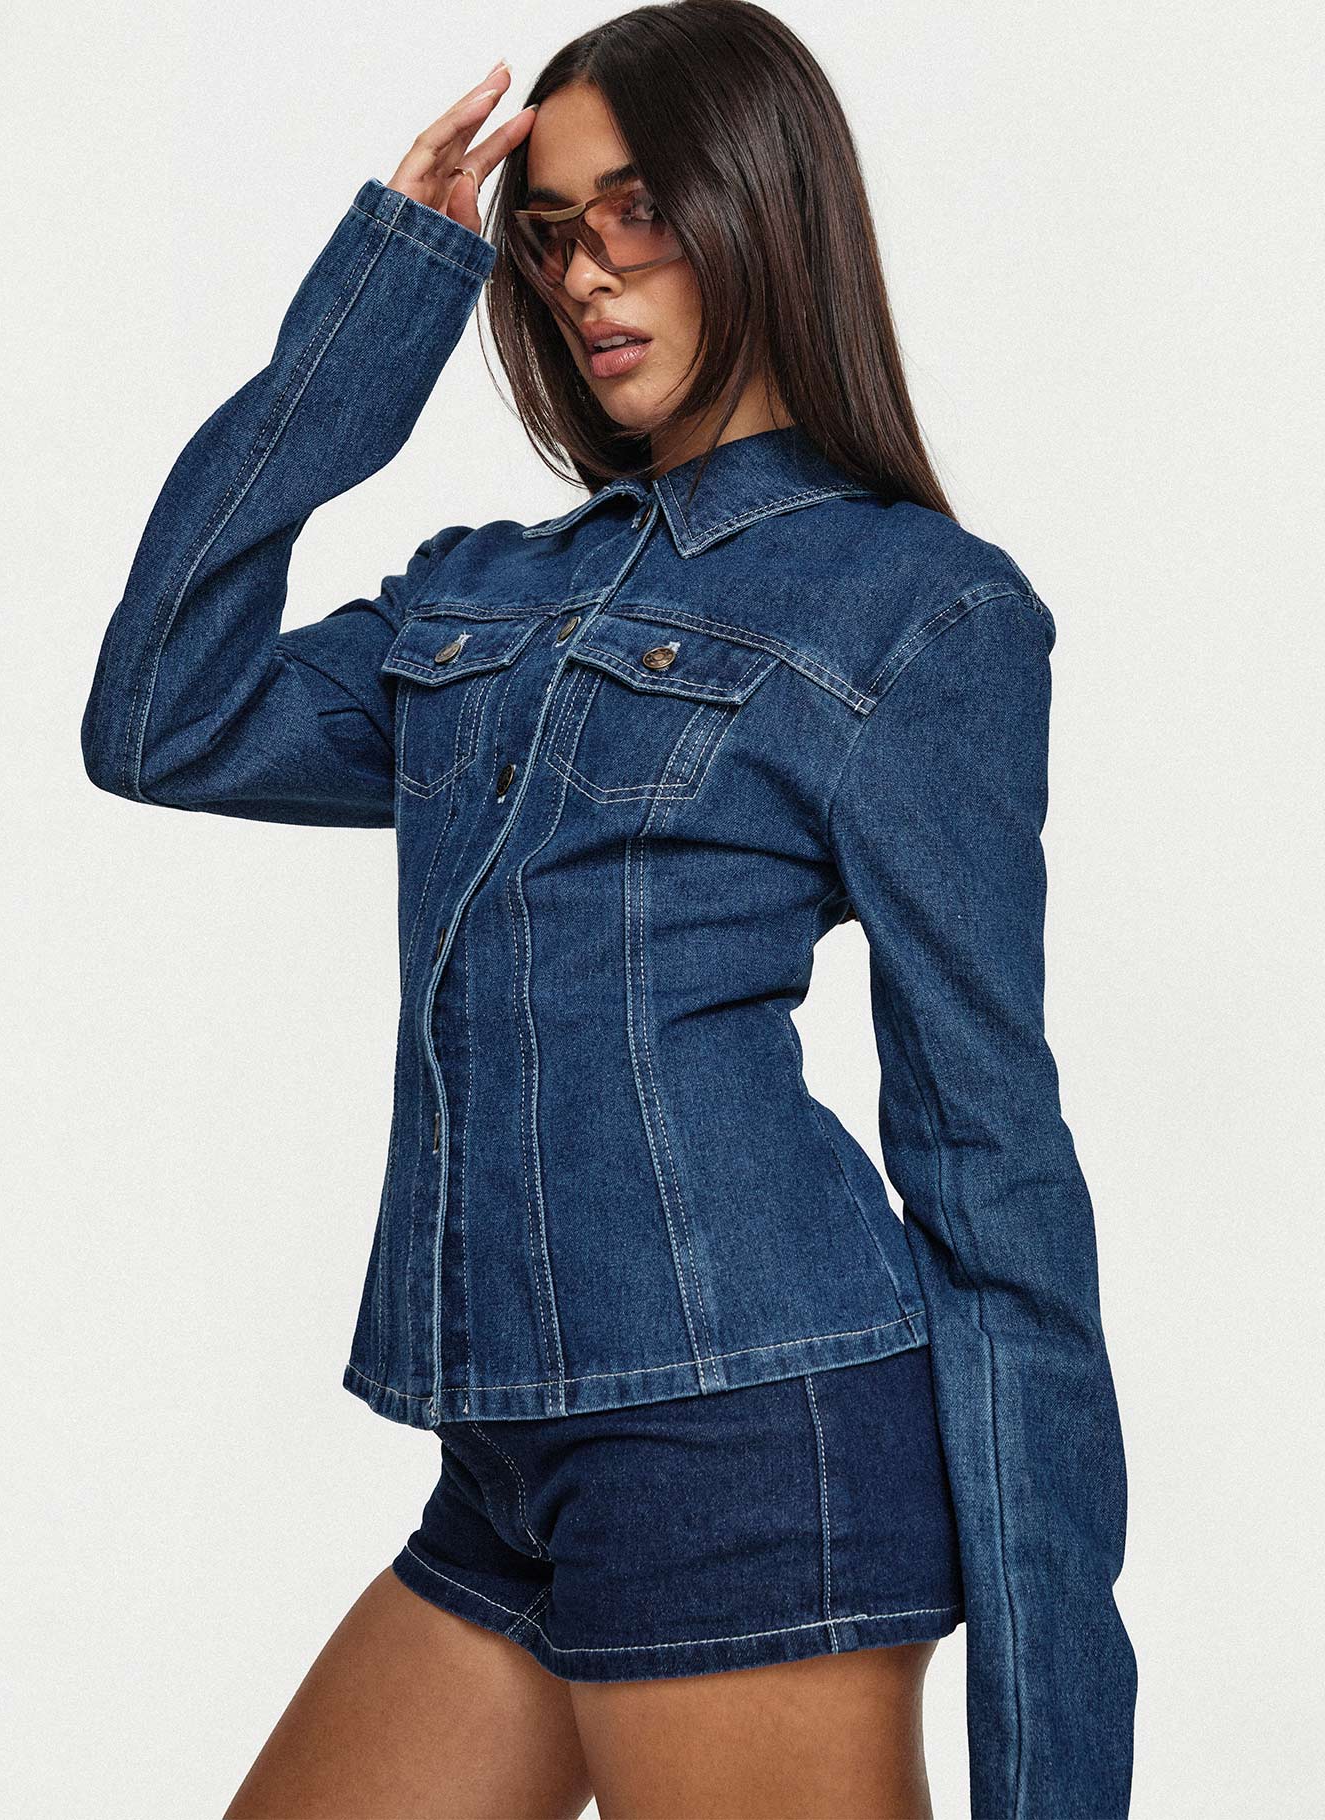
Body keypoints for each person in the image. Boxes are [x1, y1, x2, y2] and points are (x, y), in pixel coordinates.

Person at [80, 5, 1137, 1815]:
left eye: (638, 210)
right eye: (551, 228)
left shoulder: (918, 609)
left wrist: (1058, 1776)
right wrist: (391, 290)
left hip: (750, 1439)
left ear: (758, 206)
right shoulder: (483, 595)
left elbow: (992, 1169)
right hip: (506, 1457)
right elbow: (163, 717)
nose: (584, 270)